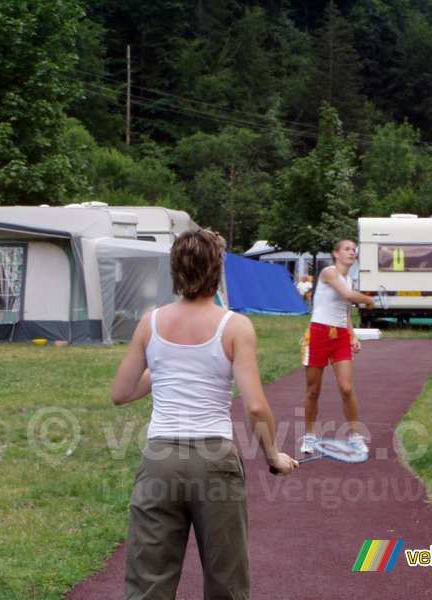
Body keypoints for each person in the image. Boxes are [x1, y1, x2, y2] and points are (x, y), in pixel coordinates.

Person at [111, 229, 297, 600]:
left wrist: (166, 369)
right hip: (214, 458)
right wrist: (273, 455)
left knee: (148, 581)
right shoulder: (235, 326)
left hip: (159, 459)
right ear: (217, 269)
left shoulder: (150, 322)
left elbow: (121, 393)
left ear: (175, 269)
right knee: (226, 579)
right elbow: (256, 406)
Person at [300, 240, 375, 454]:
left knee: (347, 388)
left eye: (354, 250)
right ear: (336, 254)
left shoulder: (348, 280)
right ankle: (309, 435)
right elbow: (349, 296)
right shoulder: (328, 273)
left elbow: (346, 311)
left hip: (340, 336)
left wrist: (353, 336)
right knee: (313, 391)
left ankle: (355, 435)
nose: (352, 253)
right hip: (319, 334)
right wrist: (369, 301)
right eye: (347, 249)